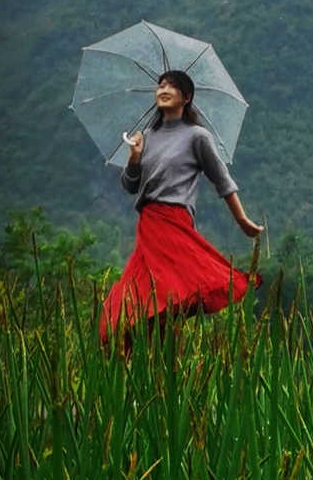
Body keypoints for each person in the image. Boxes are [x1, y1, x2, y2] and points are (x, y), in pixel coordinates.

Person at [99, 68, 263, 344]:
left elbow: (223, 182)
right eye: (160, 85)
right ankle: (152, 363)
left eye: (170, 86)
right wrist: (134, 158)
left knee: (166, 293)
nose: (163, 90)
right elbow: (130, 185)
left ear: (186, 97)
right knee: (132, 304)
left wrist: (243, 221)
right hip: (149, 225)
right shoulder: (146, 137)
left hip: (174, 222)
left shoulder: (197, 137)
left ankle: (164, 359)